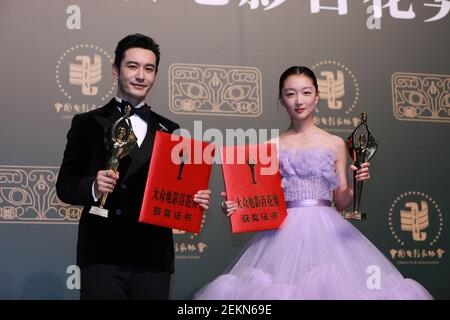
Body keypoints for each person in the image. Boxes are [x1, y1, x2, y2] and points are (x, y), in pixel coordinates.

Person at [194, 66, 432, 300]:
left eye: (306, 92)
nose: (299, 100)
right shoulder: (270, 146)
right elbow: (263, 201)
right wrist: (238, 208)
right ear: (281, 99)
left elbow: (341, 202)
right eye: (290, 94)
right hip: (281, 236)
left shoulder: (334, 143)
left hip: (327, 232)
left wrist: (355, 184)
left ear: (317, 96)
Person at [56, 33, 211, 300]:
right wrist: (93, 186)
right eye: (133, 66)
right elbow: (65, 186)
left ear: (155, 75)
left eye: (149, 69)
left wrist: (192, 199)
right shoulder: (87, 123)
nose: (141, 75)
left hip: (153, 256)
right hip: (102, 254)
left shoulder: (170, 130)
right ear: (116, 70)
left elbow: (171, 189)